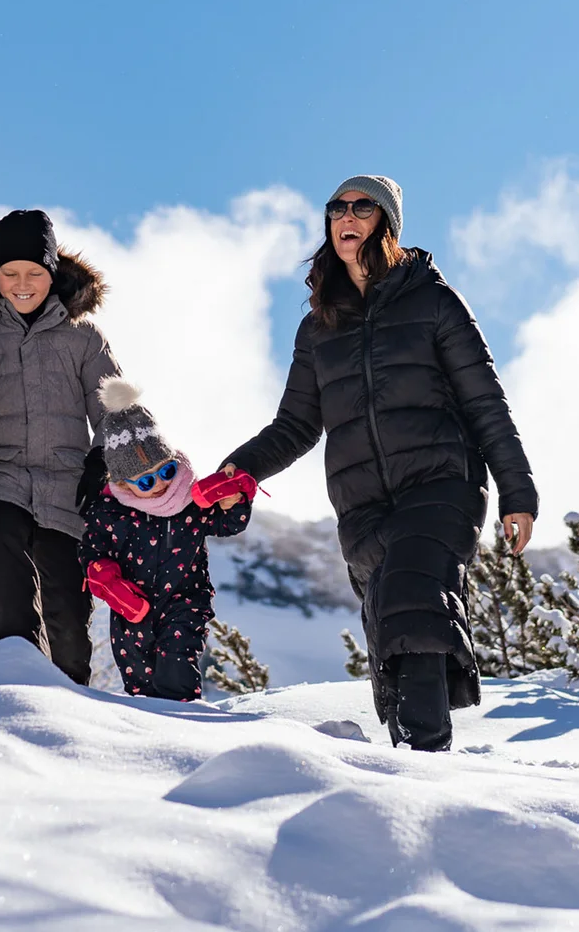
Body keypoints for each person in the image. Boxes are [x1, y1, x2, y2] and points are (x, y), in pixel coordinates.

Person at [222, 175, 537, 751]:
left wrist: (518, 492)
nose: (346, 215)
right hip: (362, 504)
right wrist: (238, 471)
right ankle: (408, 768)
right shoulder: (319, 327)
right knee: (391, 628)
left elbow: (484, 400)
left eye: (362, 206)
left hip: (442, 484)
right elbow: (295, 424)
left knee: (412, 599)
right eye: (337, 207)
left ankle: (423, 757)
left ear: (386, 222)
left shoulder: (433, 300)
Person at [0, 209, 119, 683]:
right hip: (1, 481)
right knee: (5, 569)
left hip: (67, 493)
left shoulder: (83, 339)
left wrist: (105, 458)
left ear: (52, 273)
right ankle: (16, 680)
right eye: (9, 273)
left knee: (68, 626)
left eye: (34, 272)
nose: (22, 283)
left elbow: (118, 409)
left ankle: (70, 698)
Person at [80, 377, 253, 701]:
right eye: (146, 482)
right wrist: (107, 581)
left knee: (176, 667)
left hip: (185, 600)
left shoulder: (190, 498)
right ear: (123, 484)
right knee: (140, 680)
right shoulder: (109, 512)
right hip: (133, 608)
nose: (160, 484)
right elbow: (92, 551)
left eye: (167, 470)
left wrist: (236, 500)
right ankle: (152, 740)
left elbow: (227, 524)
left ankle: (184, 723)